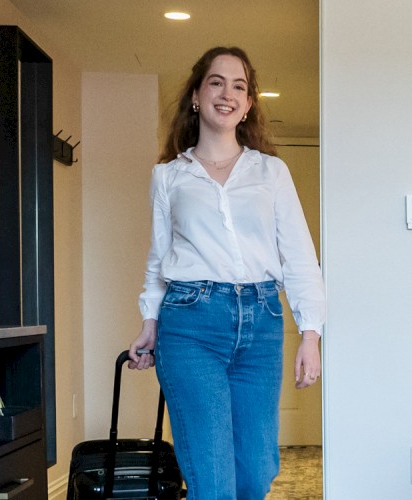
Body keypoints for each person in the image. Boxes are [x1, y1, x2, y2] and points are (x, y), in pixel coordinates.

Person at [127, 46, 324, 500]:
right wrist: (150, 322)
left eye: (239, 86)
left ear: (249, 103)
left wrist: (310, 333)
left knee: (255, 473)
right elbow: (159, 261)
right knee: (212, 482)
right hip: (191, 325)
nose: (228, 93)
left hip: (261, 324)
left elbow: (299, 256)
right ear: (196, 94)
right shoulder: (169, 177)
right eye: (217, 82)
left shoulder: (270, 172)